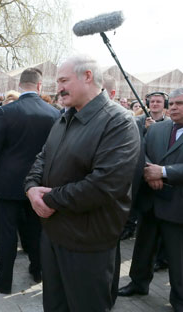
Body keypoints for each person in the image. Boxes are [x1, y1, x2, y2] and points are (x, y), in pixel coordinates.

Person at [24, 55, 140, 311]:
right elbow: (42, 158)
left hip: (88, 246)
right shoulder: (64, 118)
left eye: (64, 80)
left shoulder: (118, 122)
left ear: (87, 76)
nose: (58, 88)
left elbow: (104, 185)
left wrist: (49, 200)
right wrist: (31, 189)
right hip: (53, 237)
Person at [0, 67, 60, 294]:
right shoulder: (53, 114)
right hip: (39, 182)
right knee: (35, 230)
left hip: (8, 183)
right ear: (39, 86)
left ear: (20, 85)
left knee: (8, 233)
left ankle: (3, 280)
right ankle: (38, 269)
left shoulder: (6, 112)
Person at [117, 88, 183, 310]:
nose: (174, 107)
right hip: (151, 201)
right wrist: (148, 171)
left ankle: (179, 298)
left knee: (177, 257)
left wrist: (164, 172)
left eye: (180, 103)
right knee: (143, 248)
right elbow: (140, 152)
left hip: (177, 206)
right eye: (171, 103)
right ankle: (138, 282)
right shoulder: (156, 129)